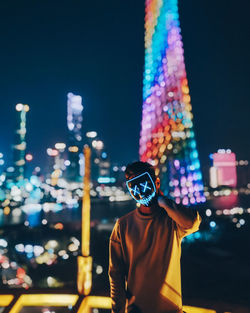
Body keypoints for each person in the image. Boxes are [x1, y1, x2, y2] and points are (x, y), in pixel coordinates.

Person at [108, 161, 202, 313]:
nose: (140, 191)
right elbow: (116, 276)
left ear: (157, 183)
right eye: (134, 186)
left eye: (143, 183)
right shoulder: (123, 225)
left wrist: (164, 202)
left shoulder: (172, 220)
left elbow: (192, 223)